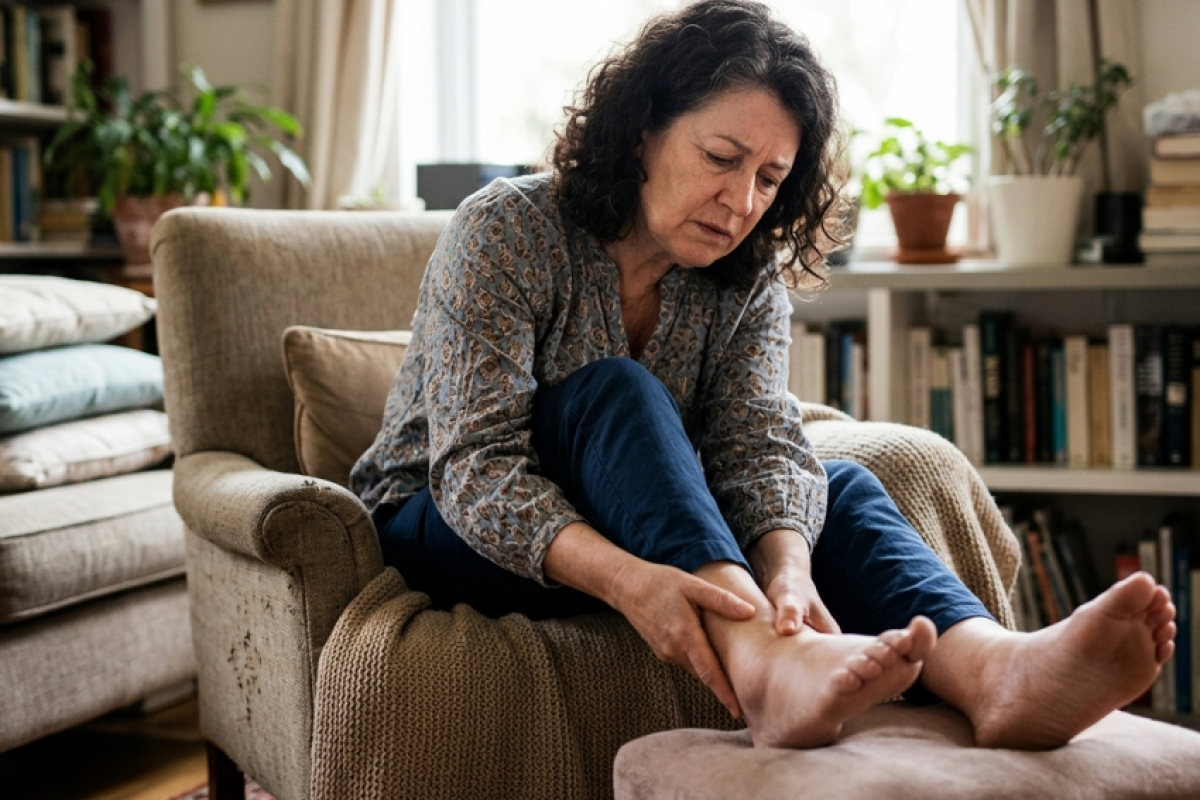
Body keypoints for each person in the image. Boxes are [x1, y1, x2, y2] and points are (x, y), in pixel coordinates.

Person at [352, 0, 1175, 750]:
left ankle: (995, 671)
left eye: (769, 180)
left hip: (641, 526)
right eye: (721, 157)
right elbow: (475, 467)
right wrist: (632, 582)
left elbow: (758, 446)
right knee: (618, 389)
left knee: (834, 489)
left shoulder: (744, 276)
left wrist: (789, 572)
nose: (742, 201)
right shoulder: (507, 229)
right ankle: (763, 666)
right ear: (641, 131)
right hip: (447, 526)